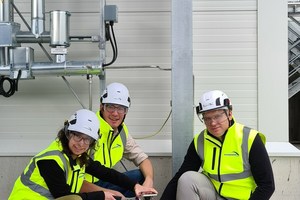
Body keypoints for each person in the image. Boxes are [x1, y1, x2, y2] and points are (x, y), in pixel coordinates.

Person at [9, 109, 157, 200]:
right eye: (77, 136)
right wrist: (102, 195)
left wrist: (135, 186)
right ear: (67, 134)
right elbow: (65, 197)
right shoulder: (50, 160)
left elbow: (105, 173)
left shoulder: (77, 156)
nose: (81, 143)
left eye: (87, 140)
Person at [161, 90, 275, 200]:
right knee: (186, 178)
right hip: (214, 195)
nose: (213, 123)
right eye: (207, 118)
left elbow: (267, 186)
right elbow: (180, 176)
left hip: (243, 198)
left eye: (217, 116)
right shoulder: (200, 141)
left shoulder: (249, 138)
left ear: (229, 113)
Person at [82, 82, 154, 197]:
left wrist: (149, 181)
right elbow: (74, 181)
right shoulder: (88, 128)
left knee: (140, 176)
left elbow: (142, 159)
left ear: (126, 111)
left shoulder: (121, 132)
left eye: (121, 108)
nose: (115, 113)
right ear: (102, 107)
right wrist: (107, 193)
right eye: (110, 106)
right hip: (83, 188)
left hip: (104, 182)